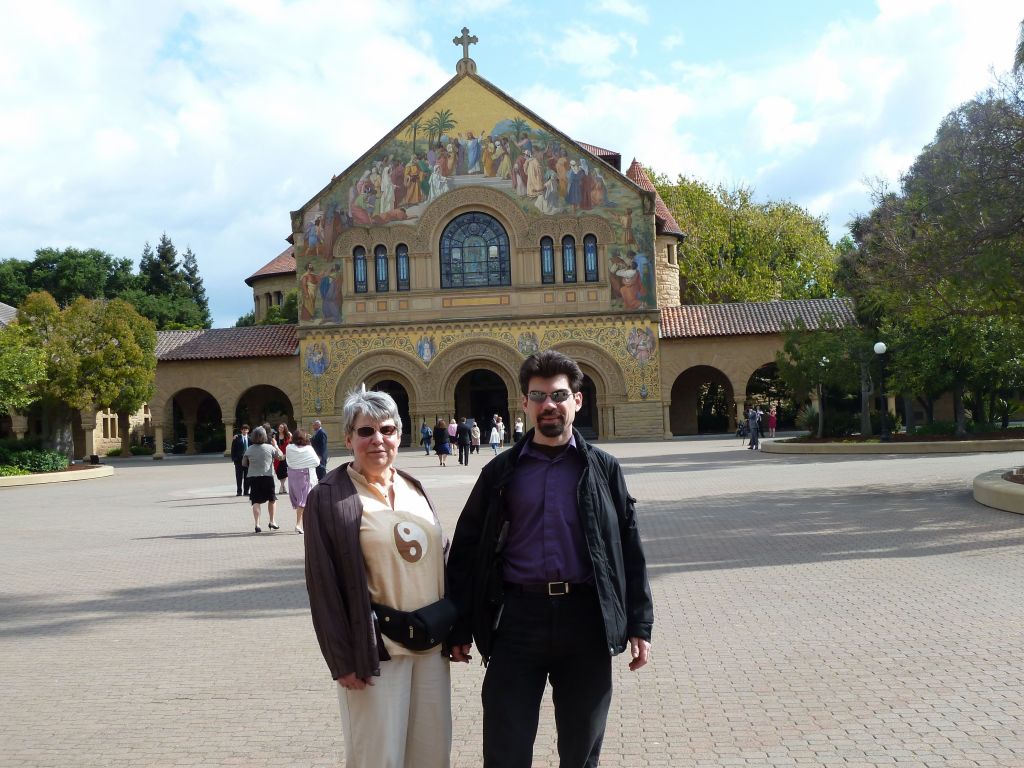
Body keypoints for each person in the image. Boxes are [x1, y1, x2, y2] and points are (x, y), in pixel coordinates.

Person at [447, 350, 654, 768]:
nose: (549, 405)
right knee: (506, 749)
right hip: (517, 620)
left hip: (586, 620)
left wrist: (639, 622)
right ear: (523, 403)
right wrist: (459, 625)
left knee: (581, 751)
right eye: (538, 396)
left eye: (559, 395)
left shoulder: (604, 469)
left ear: (578, 400)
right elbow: (469, 548)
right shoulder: (501, 472)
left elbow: (628, 548)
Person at [304, 390, 452, 768]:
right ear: (349, 438)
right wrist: (342, 660)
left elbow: (444, 560)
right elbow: (323, 584)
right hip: (376, 651)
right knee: (378, 757)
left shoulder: (413, 487)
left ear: (400, 435)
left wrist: (460, 631)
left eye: (387, 429)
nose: (377, 440)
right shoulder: (330, 496)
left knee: (431, 753)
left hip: (430, 647)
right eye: (366, 431)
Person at [242, 426, 284, 533]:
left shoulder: (249, 449)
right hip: (267, 476)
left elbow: (244, 463)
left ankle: (257, 524)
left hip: (254, 477)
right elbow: (281, 457)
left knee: (255, 501)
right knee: (272, 499)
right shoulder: (270, 447)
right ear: (265, 436)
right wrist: (276, 446)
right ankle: (272, 521)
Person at [285, 429, 320, 534]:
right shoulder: (309, 449)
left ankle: (305, 524)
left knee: (302, 501)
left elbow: (289, 460)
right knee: (304, 501)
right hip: (305, 475)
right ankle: (298, 524)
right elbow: (317, 462)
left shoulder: (289, 448)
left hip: (293, 476)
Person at [230, 424, 250, 497]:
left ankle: (246, 491)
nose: (245, 431)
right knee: (239, 476)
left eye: (246, 429)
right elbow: (233, 449)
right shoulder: (237, 438)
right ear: (241, 430)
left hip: (248, 461)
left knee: (247, 476)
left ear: (248, 430)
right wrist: (234, 459)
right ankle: (239, 491)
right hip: (239, 461)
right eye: (243, 429)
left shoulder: (250, 438)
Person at [274, 423, 291, 495]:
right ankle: (283, 486)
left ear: (285, 429)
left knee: (284, 472)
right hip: (278, 456)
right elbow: (274, 446)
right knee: (279, 472)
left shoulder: (288, 435)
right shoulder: (275, 435)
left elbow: (291, 445)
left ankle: (281, 486)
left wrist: (285, 455)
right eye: (279, 427)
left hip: (285, 456)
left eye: (282, 428)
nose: (280, 429)